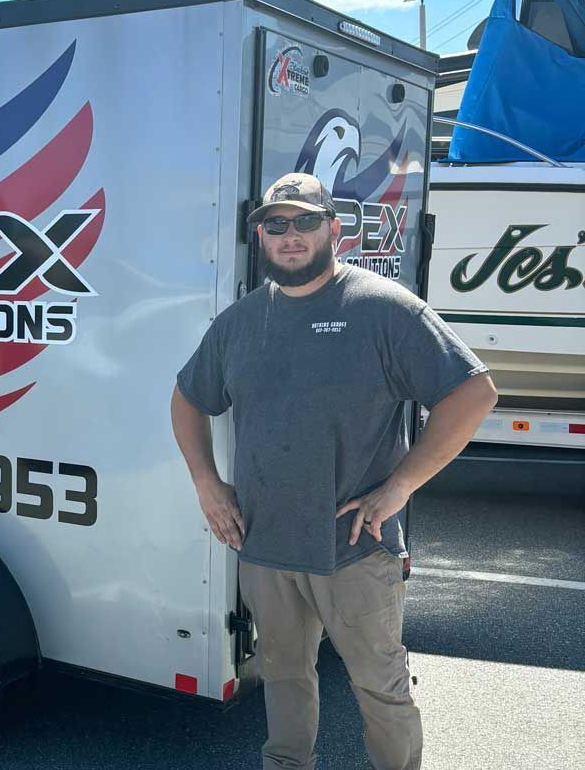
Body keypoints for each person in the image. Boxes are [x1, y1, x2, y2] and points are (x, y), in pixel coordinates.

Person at [169, 173, 498, 770]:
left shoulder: (384, 309)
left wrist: (399, 487)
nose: (290, 236)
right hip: (265, 545)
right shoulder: (240, 323)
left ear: (333, 230)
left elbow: (473, 393)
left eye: (305, 222)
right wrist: (207, 483)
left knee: (380, 688)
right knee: (285, 679)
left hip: (356, 549)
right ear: (261, 236)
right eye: (277, 224)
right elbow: (188, 398)